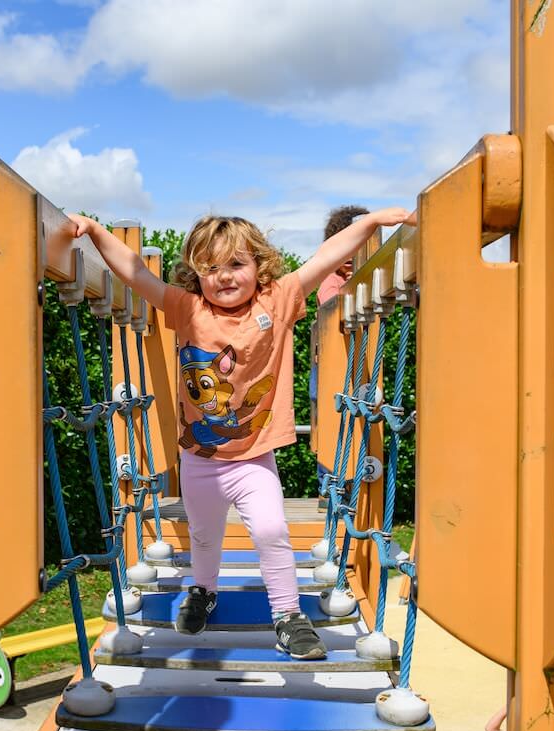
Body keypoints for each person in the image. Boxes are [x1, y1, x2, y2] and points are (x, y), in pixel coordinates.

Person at [68, 209, 415, 659]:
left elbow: (327, 257)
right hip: (200, 459)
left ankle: (288, 615)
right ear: (196, 274)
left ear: (260, 267)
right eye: (210, 268)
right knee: (205, 535)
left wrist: (368, 225)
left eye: (236, 264)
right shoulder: (187, 309)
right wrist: (95, 231)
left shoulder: (279, 300)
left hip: (254, 456)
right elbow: (137, 275)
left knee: (271, 529)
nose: (224, 277)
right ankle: (203, 590)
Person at [311, 205, 370, 496]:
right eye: (341, 249)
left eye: (355, 247)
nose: (348, 258)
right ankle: (329, 484)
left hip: (355, 363)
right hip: (329, 366)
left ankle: (353, 481)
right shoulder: (331, 282)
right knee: (331, 419)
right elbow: (334, 311)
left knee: (357, 419)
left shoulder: (367, 283)